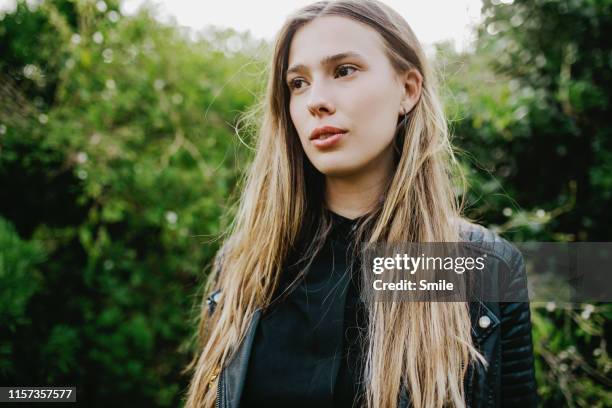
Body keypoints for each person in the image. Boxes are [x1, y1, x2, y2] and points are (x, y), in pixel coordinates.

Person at [185, 1, 538, 407]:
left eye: (344, 71)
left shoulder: (483, 269)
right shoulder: (242, 266)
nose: (316, 99)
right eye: (298, 83)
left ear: (407, 90)